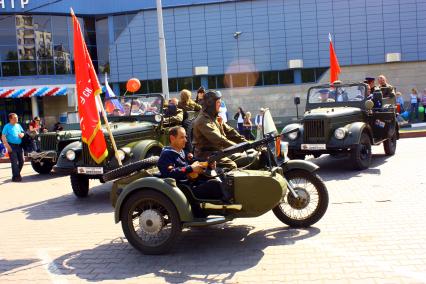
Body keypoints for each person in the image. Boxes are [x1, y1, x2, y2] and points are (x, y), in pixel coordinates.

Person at [158, 126, 229, 201]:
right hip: (182, 190)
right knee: (214, 185)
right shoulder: (166, 155)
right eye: (182, 137)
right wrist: (190, 168)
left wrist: (208, 164)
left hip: (192, 183)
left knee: (220, 172)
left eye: (185, 137)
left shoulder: (182, 152)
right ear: (172, 138)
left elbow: (195, 161)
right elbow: (170, 173)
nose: (185, 140)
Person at [192, 90, 247, 170]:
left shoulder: (214, 117)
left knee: (247, 158)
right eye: (218, 102)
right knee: (232, 166)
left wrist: (245, 142)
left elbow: (230, 131)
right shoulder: (203, 120)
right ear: (210, 104)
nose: (220, 104)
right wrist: (237, 147)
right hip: (206, 155)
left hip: (218, 152)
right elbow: (219, 139)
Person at [1, 113, 25, 182]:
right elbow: (3, 136)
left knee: (22, 160)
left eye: (17, 117)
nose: (16, 118)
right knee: (14, 161)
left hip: (20, 145)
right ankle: (17, 176)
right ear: (10, 119)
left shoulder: (18, 125)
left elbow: (23, 132)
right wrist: (7, 145)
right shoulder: (7, 126)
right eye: (15, 117)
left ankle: (16, 175)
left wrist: (22, 134)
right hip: (11, 145)